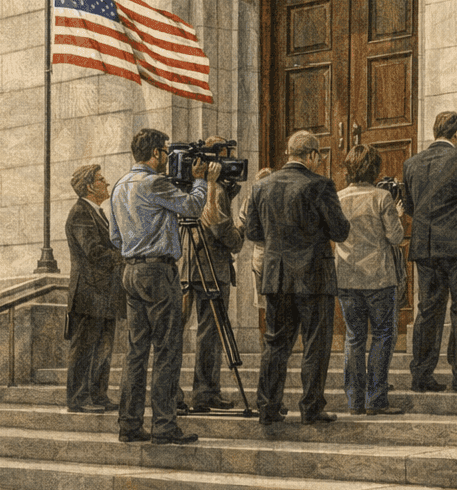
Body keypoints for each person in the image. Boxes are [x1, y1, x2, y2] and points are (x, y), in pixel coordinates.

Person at [242, 130, 350, 426]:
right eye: (319, 157)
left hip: (277, 277)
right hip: (314, 277)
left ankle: (268, 407)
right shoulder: (321, 185)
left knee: (276, 344)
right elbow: (340, 231)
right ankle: (311, 407)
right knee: (316, 343)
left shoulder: (261, 186)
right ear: (312, 155)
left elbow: (252, 233)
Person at [108, 128, 208, 444]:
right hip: (158, 272)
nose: (167, 157)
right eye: (165, 151)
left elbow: (115, 237)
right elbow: (192, 207)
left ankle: (130, 424)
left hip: (131, 271)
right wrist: (202, 180)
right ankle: (164, 426)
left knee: (136, 352)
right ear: (155, 154)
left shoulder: (119, 186)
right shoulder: (154, 182)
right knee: (166, 349)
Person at [402, 111, 457, 394]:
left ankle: (421, 376)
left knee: (428, 311)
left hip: (426, 247)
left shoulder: (411, 163)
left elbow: (410, 207)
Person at [335, 145, 406, 415]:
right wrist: (398, 216)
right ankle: (376, 398)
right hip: (378, 277)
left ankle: (355, 402)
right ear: (374, 169)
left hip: (347, 277)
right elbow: (396, 237)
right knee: (383, 335)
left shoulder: (338, 197)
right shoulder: (382, 197)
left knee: (353, 338)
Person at [179, 136, 244, 412]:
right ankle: (205, 392)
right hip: (210, 269)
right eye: (226, 158)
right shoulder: (209, 187)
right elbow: (218, 225)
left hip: (189, 266)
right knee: (210, 332)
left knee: (184, 331)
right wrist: (240, 234)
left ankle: (197, 392)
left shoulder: (191, 185)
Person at [63, 163, 125, 413]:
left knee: (103, 347)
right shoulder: (80, 212)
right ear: (89, 186)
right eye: (101, 180)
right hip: (88, 295)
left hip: (104, 294)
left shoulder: (96, 212)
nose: (106, 183)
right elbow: (94, 252)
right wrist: (123, 255)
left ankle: (98, 396)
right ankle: (79, 399)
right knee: (85, 349)